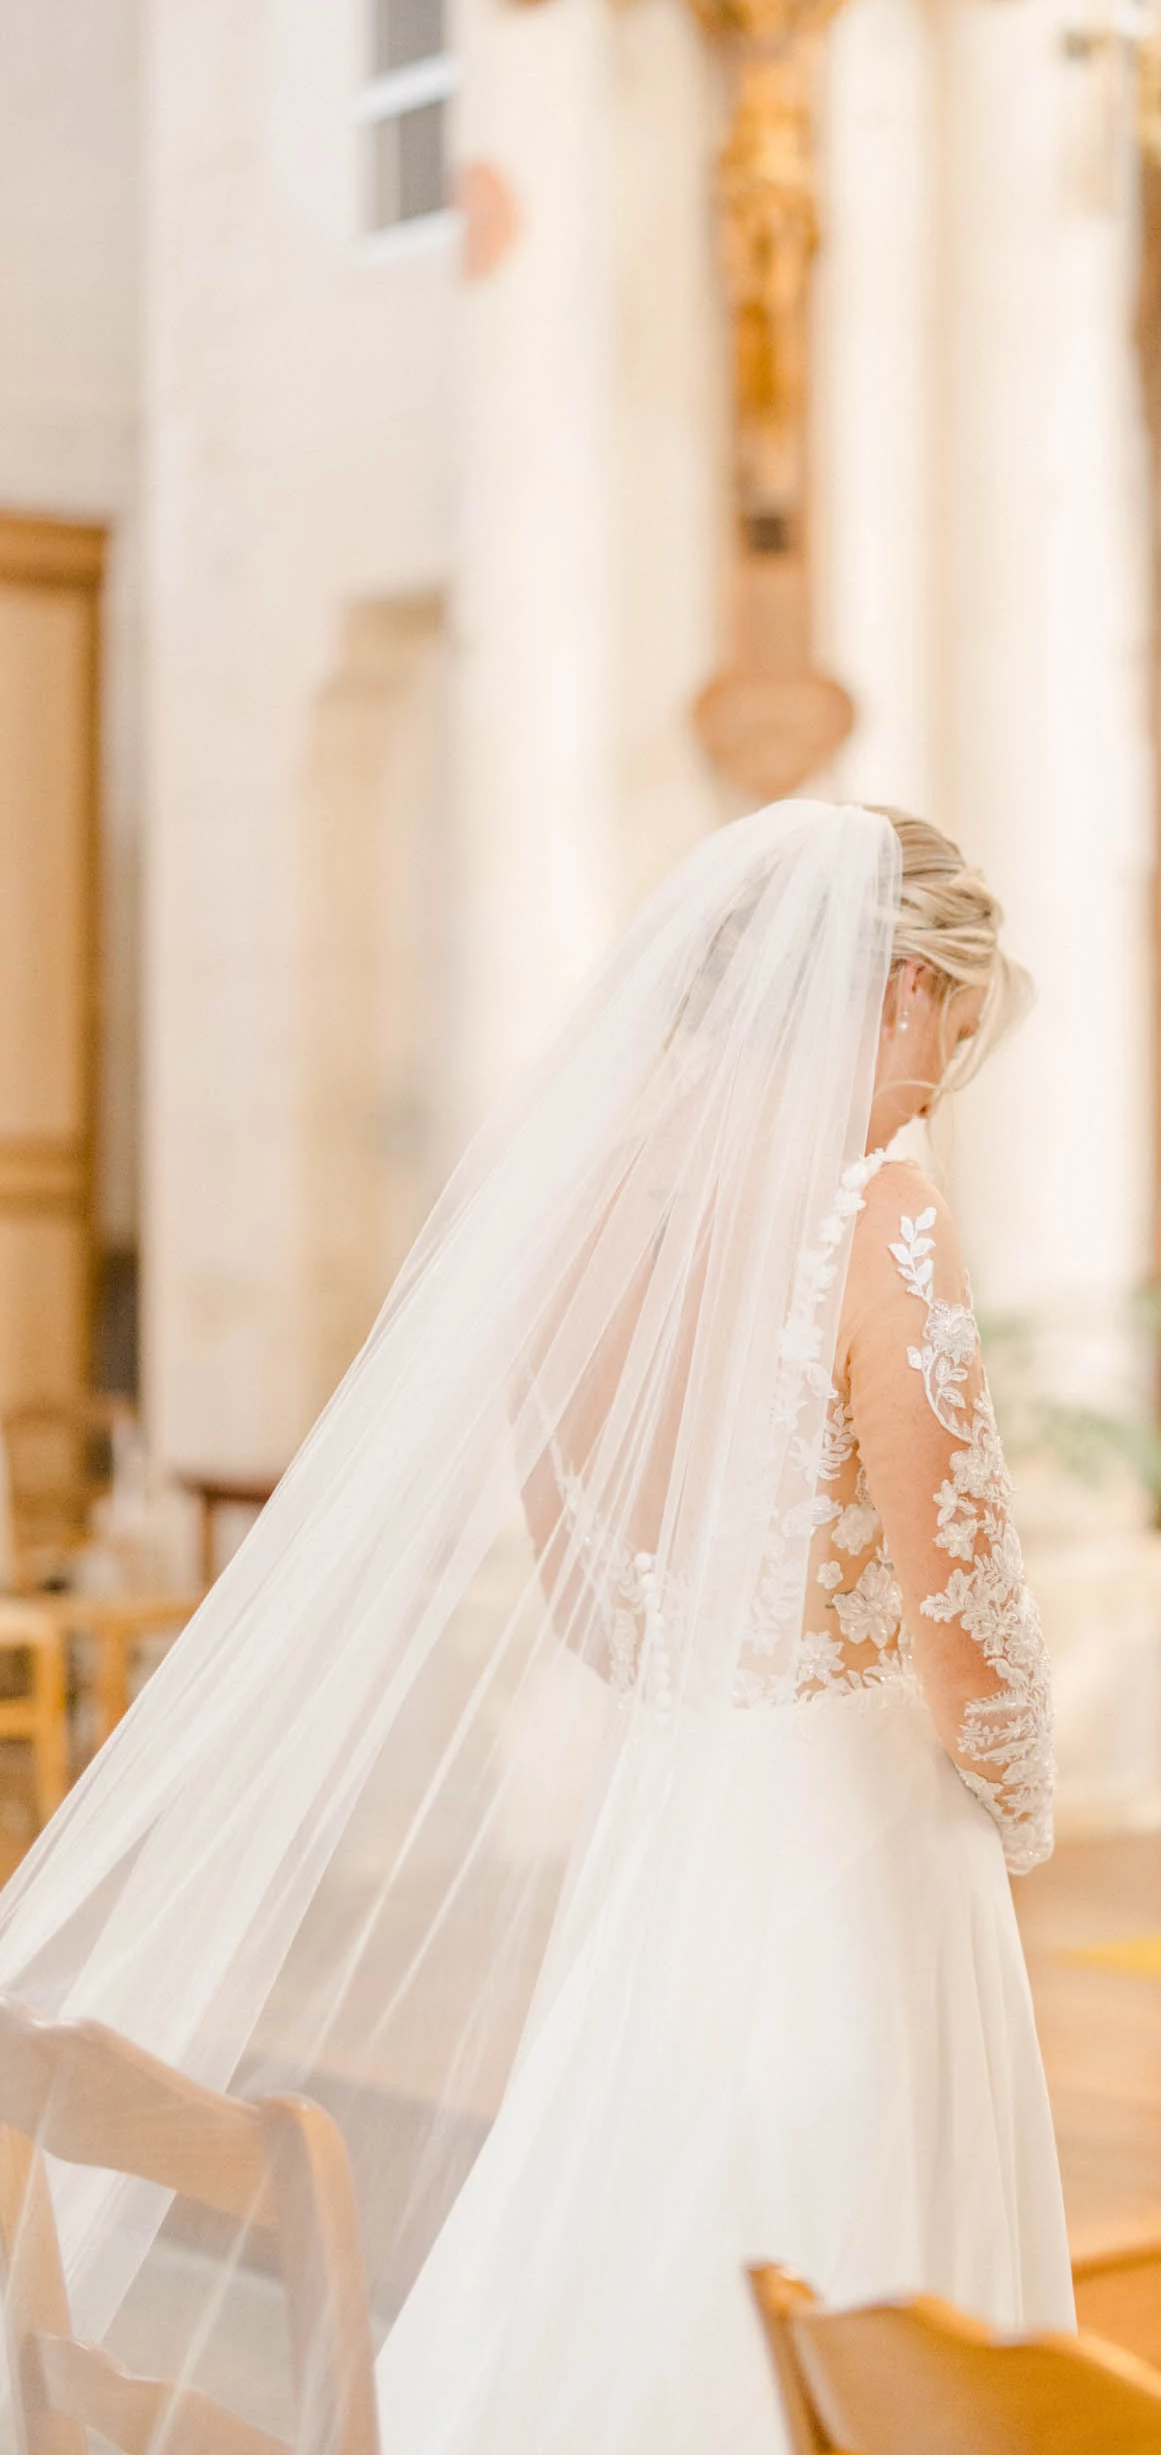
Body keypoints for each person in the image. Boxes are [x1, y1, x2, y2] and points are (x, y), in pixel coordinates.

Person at [0, 800, 1070, 2450]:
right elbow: (959, 1609)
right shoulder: (883, 1216)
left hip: (680, 1815)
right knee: (850, 2243)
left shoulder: (585, 1205)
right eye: (953, 1034)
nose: (937, 1088)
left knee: (645, 2228)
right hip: (857, 1844)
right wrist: (1014, 1786)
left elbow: (583, 1590)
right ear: (905, 988)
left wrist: (716, 1689)